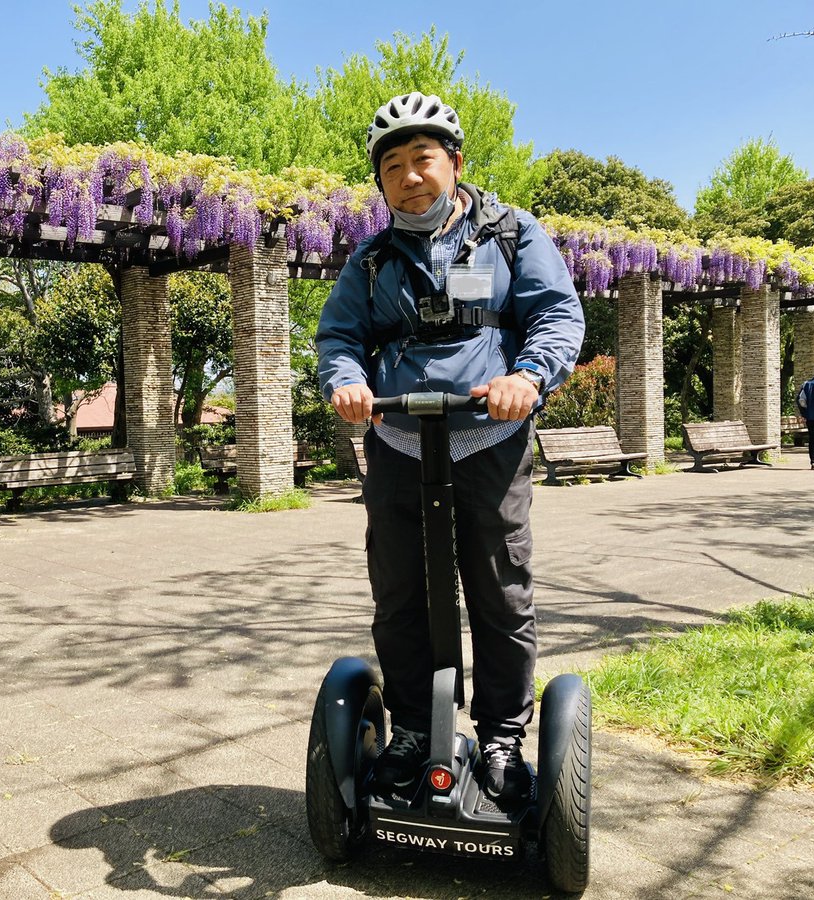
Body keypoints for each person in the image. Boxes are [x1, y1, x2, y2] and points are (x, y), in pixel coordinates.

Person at [316, 92, 584, 803]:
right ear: (380, 183)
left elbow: (557, 314)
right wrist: (345, 381)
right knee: (399, 591)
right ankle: (410, 729)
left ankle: (500, 735)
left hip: (487, 437)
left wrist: (528, 376)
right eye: (393, 166)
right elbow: (339, 337)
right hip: (400, 439)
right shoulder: (370, 260)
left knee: (499, 589)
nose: (409, 176)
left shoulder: (514, 235)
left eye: (422, 159)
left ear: (455, 163)